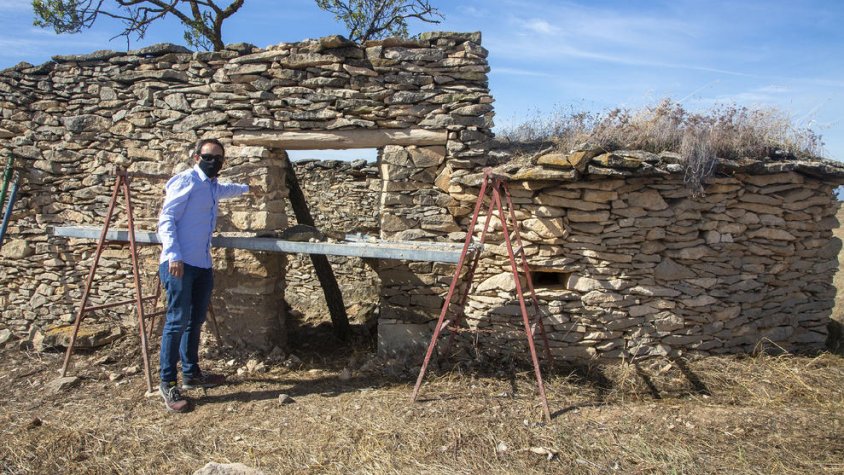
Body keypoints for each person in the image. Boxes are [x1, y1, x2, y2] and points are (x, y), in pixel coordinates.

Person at [156, 138, 257, 413]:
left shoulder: (211, 186)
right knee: (177, 321)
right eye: (208, 157)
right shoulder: (186, 180)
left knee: (195, 319)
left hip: (201, 263)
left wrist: (250, 188)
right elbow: (166, 219)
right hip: (179, 263)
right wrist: (174, 254)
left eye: (219, 159)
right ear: (196, 156)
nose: (213, 162)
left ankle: (191, 373)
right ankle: (167, 383)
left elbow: (227, 190)